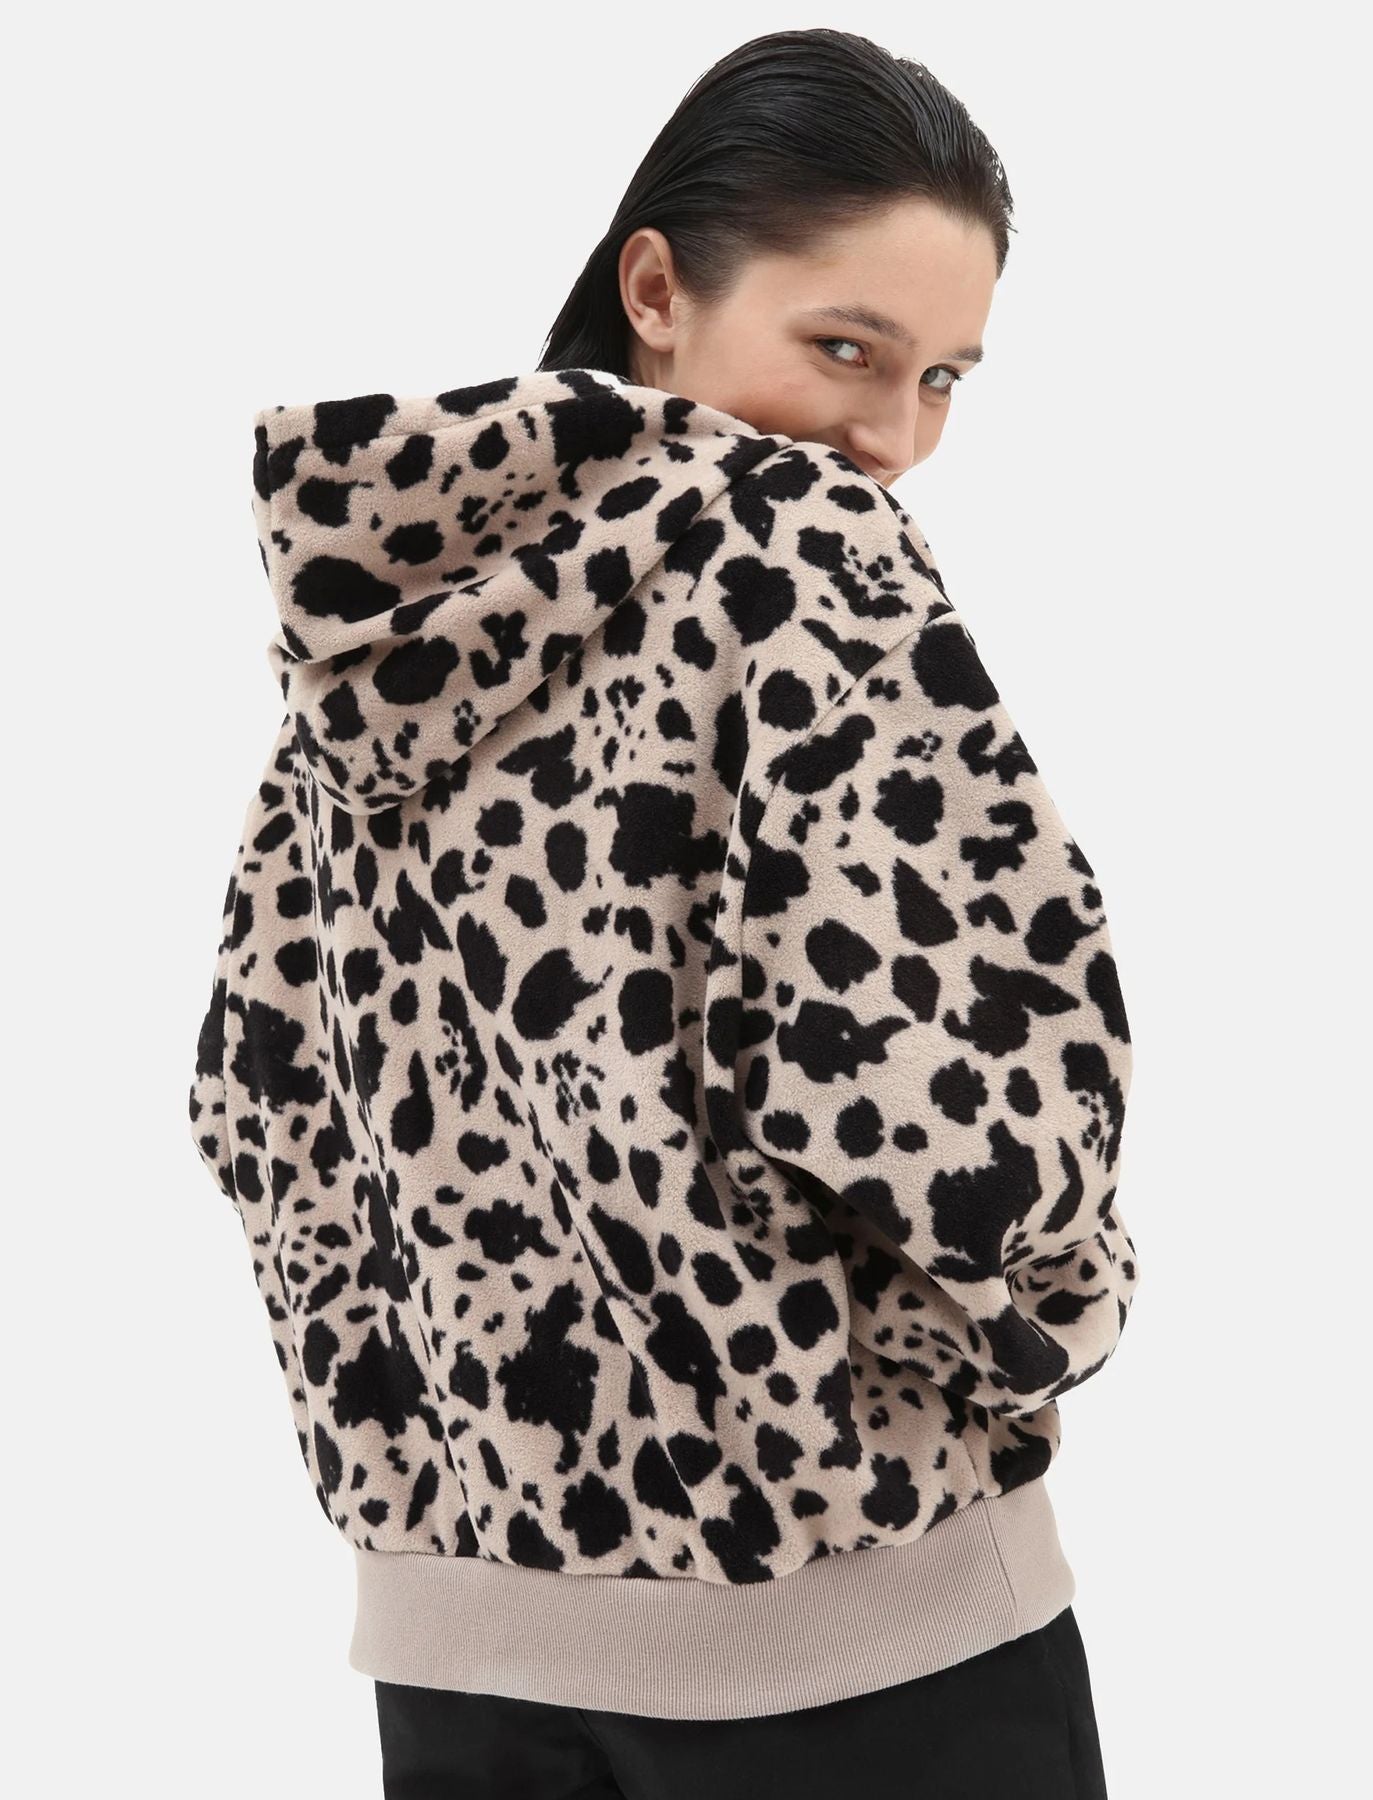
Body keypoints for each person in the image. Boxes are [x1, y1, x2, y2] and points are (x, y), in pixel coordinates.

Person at [189, 26, 1139, 1799]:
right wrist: (1042, 1325)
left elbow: (257, 1099)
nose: (889, 438)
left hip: (459, 1656)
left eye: (942, 377)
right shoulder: (803, 557)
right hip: (851, 1637)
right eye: (845, 348)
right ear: (654, 289)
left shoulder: (383, 641)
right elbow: (957, 1115)